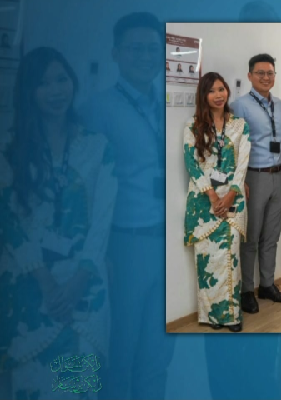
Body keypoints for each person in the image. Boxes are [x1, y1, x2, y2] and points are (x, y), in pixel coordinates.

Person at [1, 47, 116, 399]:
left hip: (84, 290)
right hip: (29, 290)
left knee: (75, 389)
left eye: (61, 79)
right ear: (29, 91)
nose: (55, 90)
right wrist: (46, 281)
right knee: (31, 388)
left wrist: (80, 279)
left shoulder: (97, 146)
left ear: (73, 82)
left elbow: (101, 223)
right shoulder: (9, 149)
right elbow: (9, 222)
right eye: (43, 83)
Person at [78, 12, 175, 400]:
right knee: (117, 349)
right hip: (125, 244)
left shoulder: (171, 106)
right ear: (116, 53)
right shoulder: (96, 110)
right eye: (136, 48)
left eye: (153, 49)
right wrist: (97, 252)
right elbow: (84, 190)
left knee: (159, 351)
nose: (146, 56)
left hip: (170, 243)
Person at [183, 72, 249, 332]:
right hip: (203, 203)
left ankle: (231, 316)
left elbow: (242, 165)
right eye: (212, 91)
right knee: (207, 261)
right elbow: (192, 164)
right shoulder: (192, 126)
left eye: (222, 89)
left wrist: (230, 194)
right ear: (204, 95)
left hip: (233, 199)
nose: (218, 95)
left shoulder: (239, 125)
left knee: (230, 257)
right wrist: (212, 195)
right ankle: (211, 316)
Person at [230, 53, 281, 312]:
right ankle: (247, 290)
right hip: (253, 177)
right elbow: (234, 146)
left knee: (271, 236)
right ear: (250, 76)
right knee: (251, 237)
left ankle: (267, 285)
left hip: (278, 175)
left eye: (270, 73)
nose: (266, 77)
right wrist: (240, 179)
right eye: (260, 73)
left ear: (274, 76)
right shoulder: (239, 106)